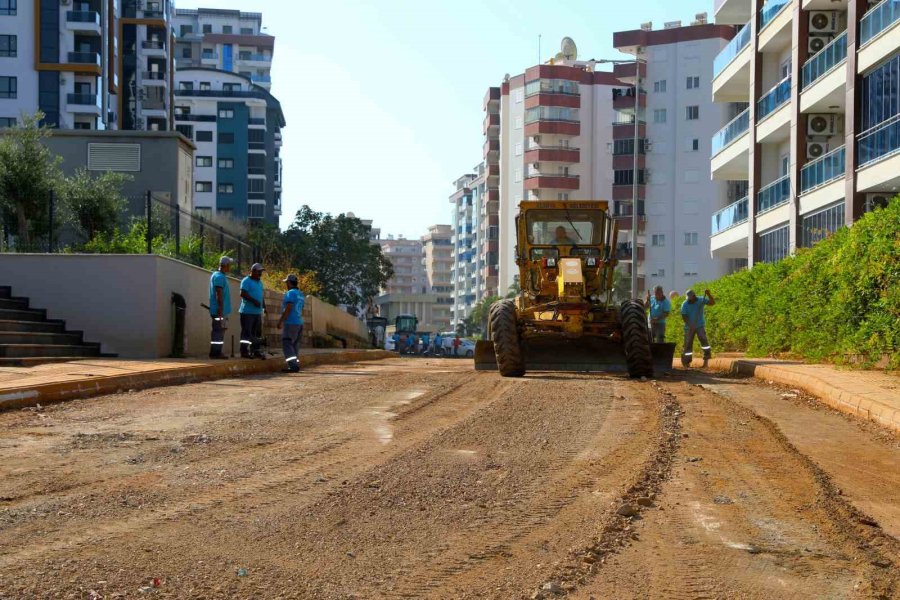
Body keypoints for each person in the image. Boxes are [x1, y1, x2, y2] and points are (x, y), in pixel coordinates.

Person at [276, 274, 305, 373]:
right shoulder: (300, 294)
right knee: (294, 345)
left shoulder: (290, 293)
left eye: (286, 283)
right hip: (299, 322)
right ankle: (295, 364)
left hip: (291, 322)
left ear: (289, 283)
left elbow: (288, 308)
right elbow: (301, 308)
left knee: (287, 342)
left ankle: (293, 365)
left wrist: (280, 321)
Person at [681, 289, 716, 367]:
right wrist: (691, 325)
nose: (689, 300)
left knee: (704, 341)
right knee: (688, 344)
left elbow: (712, 303)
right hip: (688, 327)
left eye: (690, 298)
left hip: (700, 325)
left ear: (694, 296)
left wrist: (709, 294)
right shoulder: (685, 304)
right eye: (688, 298)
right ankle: (687, 362)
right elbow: (684, 316)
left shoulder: (701, 300)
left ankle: (706, 361)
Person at [208, 256, 234, 359]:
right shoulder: (219, 277)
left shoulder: (218, 275)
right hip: (219, 310)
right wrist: (220, 308)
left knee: (219, 330)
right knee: (218, 331)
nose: (230, 268)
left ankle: (216, 352)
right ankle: (216, 353)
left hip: (220, 310)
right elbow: (219, 293)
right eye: (229, 265)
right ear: (226, 265)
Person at [239, 263, 266, 359]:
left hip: (257, 313)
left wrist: (264, 306)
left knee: (256, 333)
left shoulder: (260, 283)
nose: (260, 274)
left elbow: (261, 296)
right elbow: (242, 293)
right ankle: (244, 352)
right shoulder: (246, 281)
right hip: (247, 312)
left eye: (261, 272)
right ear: (253, 271)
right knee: (246, 333)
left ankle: (255, 351)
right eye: (259, 272)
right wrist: (254, 301)